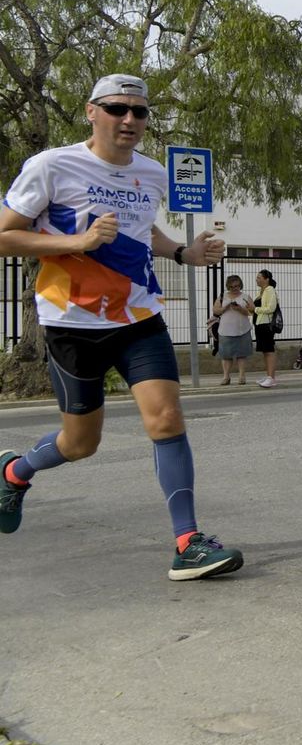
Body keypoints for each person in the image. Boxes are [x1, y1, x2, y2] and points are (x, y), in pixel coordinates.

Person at [0, 73, 244, 580]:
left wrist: (182, 251)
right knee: (80, 444)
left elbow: (142, 229)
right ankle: (14, 472)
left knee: (167, 419)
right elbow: (5, 236)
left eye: (139, 111)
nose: (129, 119)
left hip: (138, 316)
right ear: (91, 111)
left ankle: (187, 542)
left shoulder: (153, 174)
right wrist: (78, 244)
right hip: (71, 322)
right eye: (117, 108)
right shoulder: (52, 165)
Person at [211, 274, 255, 385]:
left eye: (237, 286)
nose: (235, 288)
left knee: (241, 354)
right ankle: (226, 377)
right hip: (225, 330)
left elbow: (251, 311)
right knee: (226, 355)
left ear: (240, 285)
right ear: (228, 287)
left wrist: (240, 309)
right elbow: (216, 311)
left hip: (242, 329)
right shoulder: (222, 296)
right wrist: (225, 308)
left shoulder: (245, 296)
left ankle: (242, 376)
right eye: (232, 286)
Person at [253, 269, 280, 387]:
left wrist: (255, 309)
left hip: (266, 324)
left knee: (269, 350)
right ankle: (270, 376)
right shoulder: (261, 291)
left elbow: (271, 308)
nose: (257, 279)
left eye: (259, 277)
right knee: (265, 351)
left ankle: (271, 378)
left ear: (266, 279)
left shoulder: (269, 290)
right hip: (259, 323)